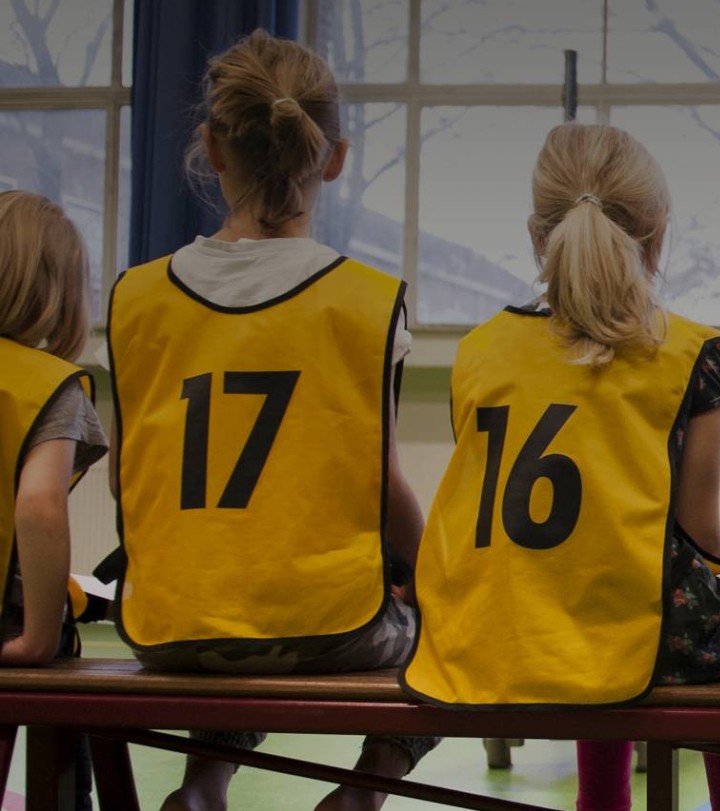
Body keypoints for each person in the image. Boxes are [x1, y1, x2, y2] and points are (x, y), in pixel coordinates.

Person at [103, 31, 436, 811]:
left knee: (241, 614)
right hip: (329, 627)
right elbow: (383, 485)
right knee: (446, 634)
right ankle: (364, 790)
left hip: (167, 626)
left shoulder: (135, 297)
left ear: (212, 148)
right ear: (335, 157)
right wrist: (439, 582)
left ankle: (204, 783)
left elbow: (128, 475)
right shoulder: (365, 301)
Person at [397, 122, 720, 811]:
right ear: (655, 240)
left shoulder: (478, 350)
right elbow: (704, 535)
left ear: (539, 236)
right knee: (713, 639)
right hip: (625, 630)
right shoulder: (693, 352)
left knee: (595, 617)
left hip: (507, 627)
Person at [0, 191, 104, 669]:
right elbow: (40, 504)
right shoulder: (46, 385)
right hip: (7, 622)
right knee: (69, 686)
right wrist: (38, 639)